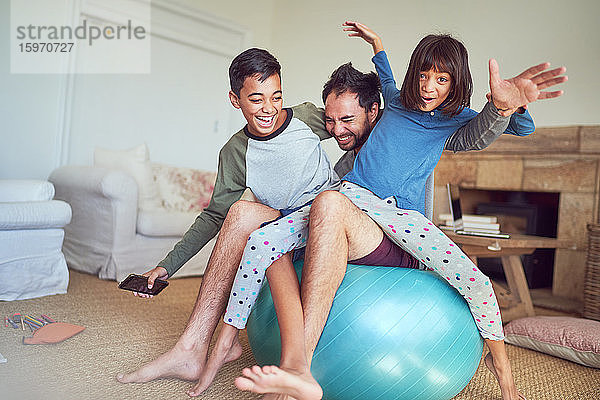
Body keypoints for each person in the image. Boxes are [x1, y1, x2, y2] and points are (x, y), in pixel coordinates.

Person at [233, 22, 567, 400]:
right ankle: (248, 349)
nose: (428, 87)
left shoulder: (455, 121)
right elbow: (385, 73)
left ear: (455, 83)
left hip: (398, 219)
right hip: (349, 198)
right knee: (262, 239)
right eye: (424, 76)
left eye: (441, 79)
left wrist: (507, 104)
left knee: (478, 283)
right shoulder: (392, 99)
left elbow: (497, 130)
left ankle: (505, 378)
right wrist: (376, 44)